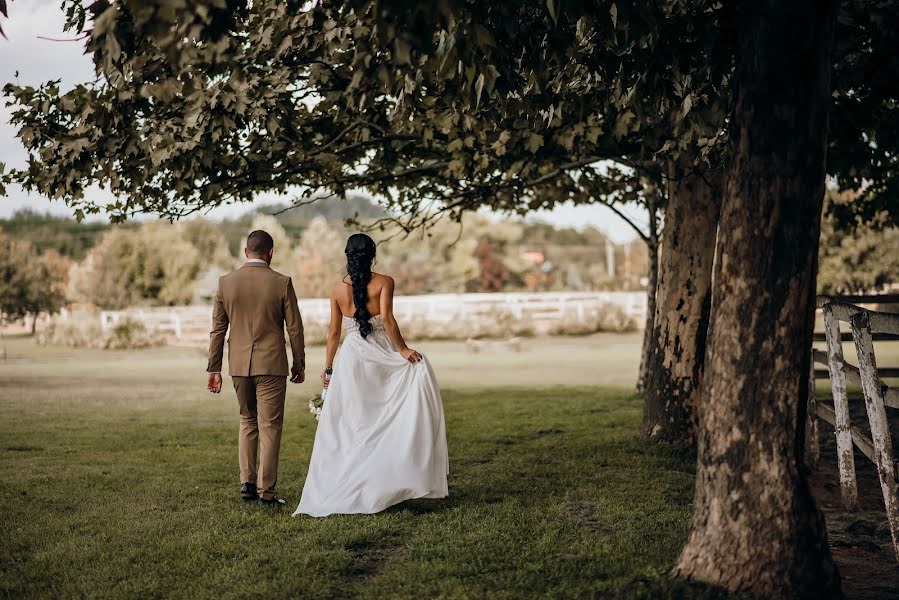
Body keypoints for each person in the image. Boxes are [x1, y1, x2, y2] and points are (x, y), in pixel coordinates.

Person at [294, 233, 448, 517]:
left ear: (347, 254)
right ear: (373, 254)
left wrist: (329, 368)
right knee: (382, 419)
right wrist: (402, 349)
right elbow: (387, 319)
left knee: (354, 423)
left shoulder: (337, 288)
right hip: (379, 355)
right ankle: (381, 482)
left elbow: (333, 333)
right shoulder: (385, 282)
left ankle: (357, 485)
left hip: (352, 358)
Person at [206, 230, 306, 507]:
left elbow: (217, 330)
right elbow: (294, 328)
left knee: (247, 421)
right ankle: (267, 493)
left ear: (245, 251)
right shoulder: (281, 282)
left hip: (238, 365)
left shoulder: (225, 283)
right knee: (270, 426)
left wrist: (213, 368)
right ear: (270, 252)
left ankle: (247, 484)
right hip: (272, 365)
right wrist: (299, 363)